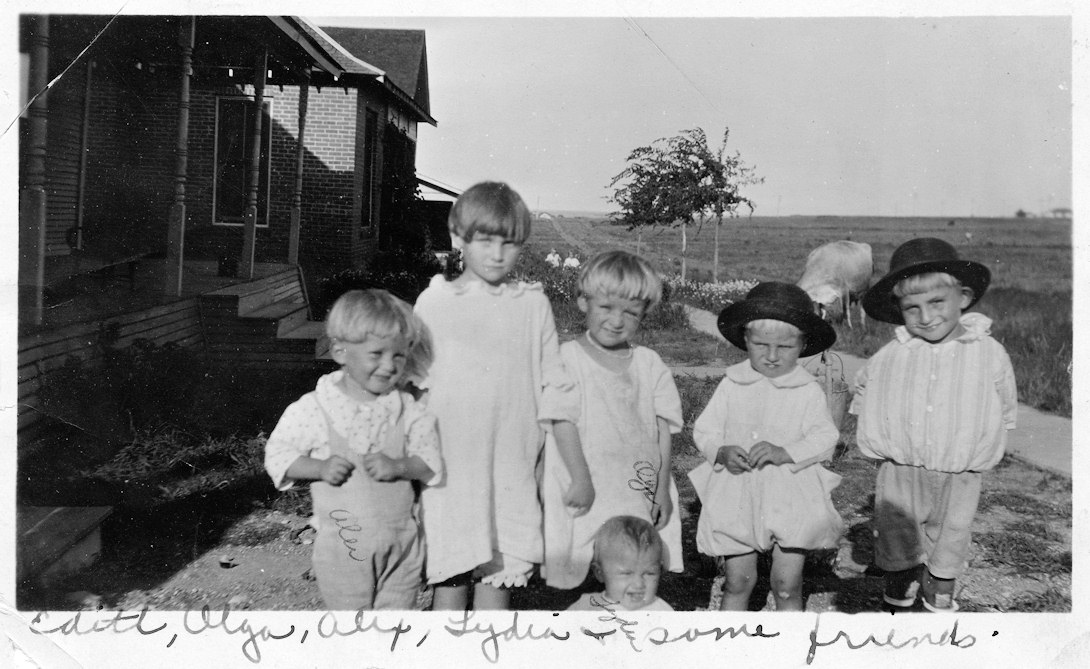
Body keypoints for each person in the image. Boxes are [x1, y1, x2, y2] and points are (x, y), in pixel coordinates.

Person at [414, 181, 579, 611]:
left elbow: (554, 386)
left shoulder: (531, 307)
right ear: (457, 237)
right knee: (449, 583)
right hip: (450, 468)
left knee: (498, 583)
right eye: (485, 240)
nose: (497, 253)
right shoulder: (434, 304)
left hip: (511, 466)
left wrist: (560, 463)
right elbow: (412, 387)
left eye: (510, 243)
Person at [853, 237, 1017, 612]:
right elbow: (866, 390)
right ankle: (897, 593)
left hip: (959, 469)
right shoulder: (894, 352)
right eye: (913, 308)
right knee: (897, 536)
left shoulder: (987, 353)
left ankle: (939, 592)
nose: (926, 318)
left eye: (936, 303)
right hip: (901, 468)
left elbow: (1004, 402)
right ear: (900, 310)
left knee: (952, 535)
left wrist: (987, 439)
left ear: (962, 297)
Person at [263, 289, 441, 610]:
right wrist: (318, 468)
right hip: (345, 550)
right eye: (376, 354)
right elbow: (278, 456)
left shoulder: (405, 409)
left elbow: (430, 463)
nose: (389, 366)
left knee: (392, 634)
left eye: (398, 356)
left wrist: (400, 466)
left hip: (401, 547)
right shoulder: (316, 408)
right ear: (341, 351)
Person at [689, 281, 843, 611]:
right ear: (745, 339)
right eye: (761, 345)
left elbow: (824, 436)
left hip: (790, 494)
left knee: (786, 584)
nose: (772, 356)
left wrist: (786, 451)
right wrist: (721, 451)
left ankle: (793, 646)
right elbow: (705, 430)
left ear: (802, 344)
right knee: (737, 581)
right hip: (738, 492)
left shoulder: (806, 390)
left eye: (784, 347)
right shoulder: (732, 385)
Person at [542, 250, 684, 590]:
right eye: (606, 308)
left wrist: (662, 487)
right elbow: (562, 420)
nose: (616, 321)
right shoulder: (568, 359)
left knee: (633, 554)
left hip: (635, 481)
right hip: (587, 474)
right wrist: (580, 478)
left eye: (631, 313)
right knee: (585, 553)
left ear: (644, 314)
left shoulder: (649, 364)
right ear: (582, 302)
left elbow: (664, 430)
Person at [567, 516, 674, 612]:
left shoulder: (662, 612)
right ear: (600, 573)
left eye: (649, 573)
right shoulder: (585, 608)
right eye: (626, 573)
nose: (638, 584)